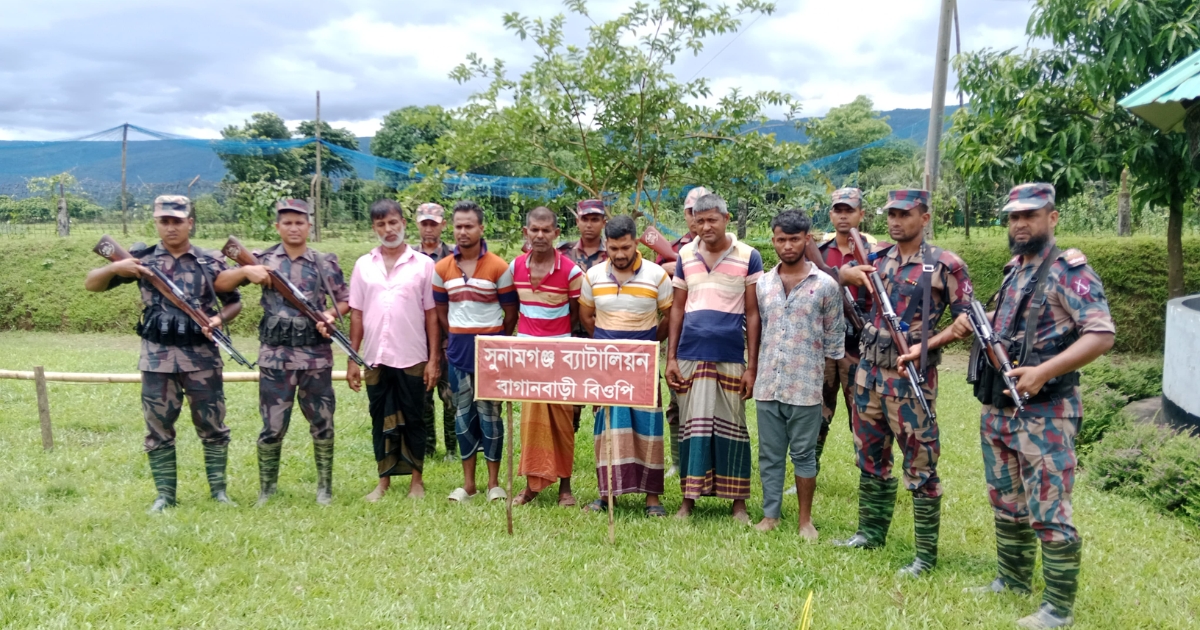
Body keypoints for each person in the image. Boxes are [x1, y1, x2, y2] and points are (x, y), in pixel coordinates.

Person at [946, 183, 1114, 629]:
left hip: (1047, 414)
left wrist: (1044, 371)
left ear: (1052, 218)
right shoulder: (1013, 270)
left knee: (1049, 509)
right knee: (1005, 500)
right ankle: (1013, 580)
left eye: (1031, 215)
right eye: (1013, 217)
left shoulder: (1068, 271)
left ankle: (1058, 609)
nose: (1020, 224)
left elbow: (1101, 334)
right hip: (999, 407)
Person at [836, 189, 973, 577]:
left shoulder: (945, 265)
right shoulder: (876, 261)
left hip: (910, 380)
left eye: (905, 214)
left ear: (924, 218)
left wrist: (927, 344)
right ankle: (869, 533)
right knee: (869, 456)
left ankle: (925, 556)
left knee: (921, 464)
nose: (896, 221)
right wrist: (843, 274)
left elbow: (967, 321)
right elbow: (838, 287)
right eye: (891, 214)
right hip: (868, 374)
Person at [84, 195, 242, 512]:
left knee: (213, 426)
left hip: (202, 358)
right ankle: (165, 497)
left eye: (177, 221)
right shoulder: (140, 260)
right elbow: (92, 284)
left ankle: (219, 492)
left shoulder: (209, 261)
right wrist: (117, 265)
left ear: (190, 223)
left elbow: (235, 302)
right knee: (158, 429)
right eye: (164, 221)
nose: (171, 227)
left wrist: (217, 319)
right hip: (157, 359)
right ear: (156, 223)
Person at [212, 199, 349, 507]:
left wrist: (328, 314)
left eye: (300, 222)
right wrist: (247, 271)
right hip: (275, 357)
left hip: (315, 357)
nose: (294, 227)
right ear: (277, 226)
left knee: (323, 422)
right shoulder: (262, 259)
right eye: (287, 222)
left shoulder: (324, 262)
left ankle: (324, 489)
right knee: (272, 424)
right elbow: (220, 284)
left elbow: (345, 299)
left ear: (309, 226)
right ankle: (267, 489)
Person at [664, 193, 762, 524]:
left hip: (730, 355)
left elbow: (752, 312)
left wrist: (752, 366)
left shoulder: (749, 256)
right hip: (691, 355)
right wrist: (671, 358)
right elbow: (677, 308)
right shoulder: (685, 255)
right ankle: (688, 501)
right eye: (699, 220)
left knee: (733, 427)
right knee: (692, 428)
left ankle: (738, 503)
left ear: (726, 218)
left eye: (712, 220)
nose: (705, 226)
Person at [752, 209, 844, 539]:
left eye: (794, 239)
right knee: (770, 455)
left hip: (806, 387)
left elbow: (835, 344)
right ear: (772, 240)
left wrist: (827, 396)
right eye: (781, 239)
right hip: (768, 385)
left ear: (808, 239)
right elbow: (759, 329)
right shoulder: (763, 284)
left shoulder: (826, 286)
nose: (787, 246)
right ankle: (770, 515)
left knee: (804, 456)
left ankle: (805, 521)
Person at [578, 214, 673, 517]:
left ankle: (652, 499)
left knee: (649, 429)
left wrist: (645, 345)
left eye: (626, 247)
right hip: (606, 367)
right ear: (606, 245)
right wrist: (610, 347)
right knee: (608, 429)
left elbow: (668, 318)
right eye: (614, 248)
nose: (620, 254)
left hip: (643, 366)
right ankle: (607, 496)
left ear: (636, 243)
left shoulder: (657, 276)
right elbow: (587, 317)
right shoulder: (592, 276)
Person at [346, 199, 440, 502]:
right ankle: (383, 482)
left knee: (414, 417)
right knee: (380, 419)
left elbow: (431, 315)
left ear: (403, 223)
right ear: (374, 228)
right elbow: (357, 314)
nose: (388, 230)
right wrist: (352, 358)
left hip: (412, 355)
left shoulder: (424, 265)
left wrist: (433, 359)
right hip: (375, 357)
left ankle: (417, 482)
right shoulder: (364, 265)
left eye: (393, 223)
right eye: (381, 225)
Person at [433, 200, 519, 504]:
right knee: (463, 418)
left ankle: (494, 483)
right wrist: (459, 335)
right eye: (458, 226)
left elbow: (511, 312)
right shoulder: (442, 268)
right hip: (458, 356)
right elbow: (441, 312)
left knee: (491, 417)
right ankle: (469, 485)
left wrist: (495, 342)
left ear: (481, 228)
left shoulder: (499, 267)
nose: (463, 231)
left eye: (469, 225)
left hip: (491, 358)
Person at [511, 207, 584, 507]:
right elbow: (511, 311)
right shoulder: (514, 267)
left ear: (556, 234)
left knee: (563, 422)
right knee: (531, 422)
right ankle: (531, 485)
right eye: (534, 230)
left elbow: (577, 315)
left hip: (561, 356)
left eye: (546, 230)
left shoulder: (571, 271)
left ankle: (565, 487)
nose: (539, 235)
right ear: (525, 233)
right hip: (527, 358)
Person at [813, 187, 877, 466]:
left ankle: (869, 471)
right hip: (823, 348)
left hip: (858, 349)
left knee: (863, 414)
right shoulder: (819, 254)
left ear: (860, 214)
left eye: (849, 210)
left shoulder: (875, 254)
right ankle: (808, 469)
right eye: (838, 210)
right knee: (816, 415)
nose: (843, 216)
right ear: (830, 214)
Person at [658, 185, 709, 478]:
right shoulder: (672, 249)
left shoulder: (729, 247)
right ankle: (677, 462)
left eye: (702, 211)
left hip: (714, 339)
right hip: (681, 338)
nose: (697, 217)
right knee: (677, 403)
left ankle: (706, 462)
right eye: (691, 211)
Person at [560, 198, 609, 433]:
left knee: (603, 396)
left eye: (595, 219)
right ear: (577, 221)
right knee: (570, 398)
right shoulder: (562, 254)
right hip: (570, 331)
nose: (589, 224)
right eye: (585, 219)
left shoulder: (615, 253)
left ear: (603, 222)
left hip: (603, 332)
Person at [414, 202, 457, 460]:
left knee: (451, 397)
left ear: (443, 225)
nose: (429, 228)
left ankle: (452, 449)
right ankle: (428, 447)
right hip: (417, 339)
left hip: (449, 338)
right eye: (424, 223)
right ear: (417, 224)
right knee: (422, 398)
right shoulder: (409, 258)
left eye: (434, 223)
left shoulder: (454, 257)